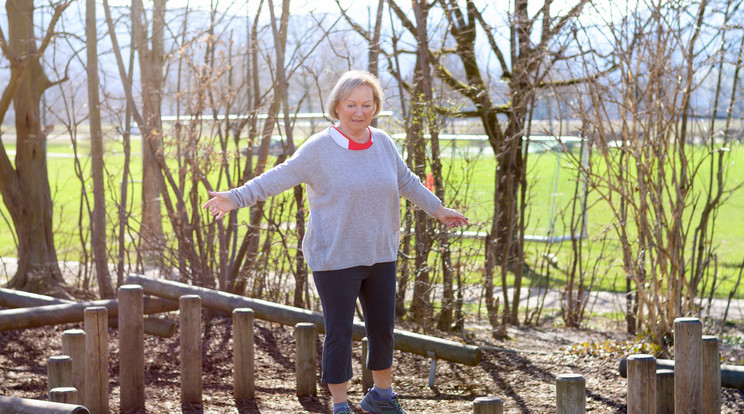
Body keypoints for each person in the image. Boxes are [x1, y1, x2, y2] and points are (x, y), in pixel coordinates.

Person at [203, 70, 468, 414]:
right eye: (351, 104)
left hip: (380, 254)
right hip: (335, 257)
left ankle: (381, 397)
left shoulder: (384, 143)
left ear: (375, 107)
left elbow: (406, 181)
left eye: (367, 105)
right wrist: (235, 198)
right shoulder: (318, 149)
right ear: (337, 107)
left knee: (383, 329)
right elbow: (277, 178)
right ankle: (340, 404)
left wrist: (438, 209)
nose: (359, 112)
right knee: (340, 333)